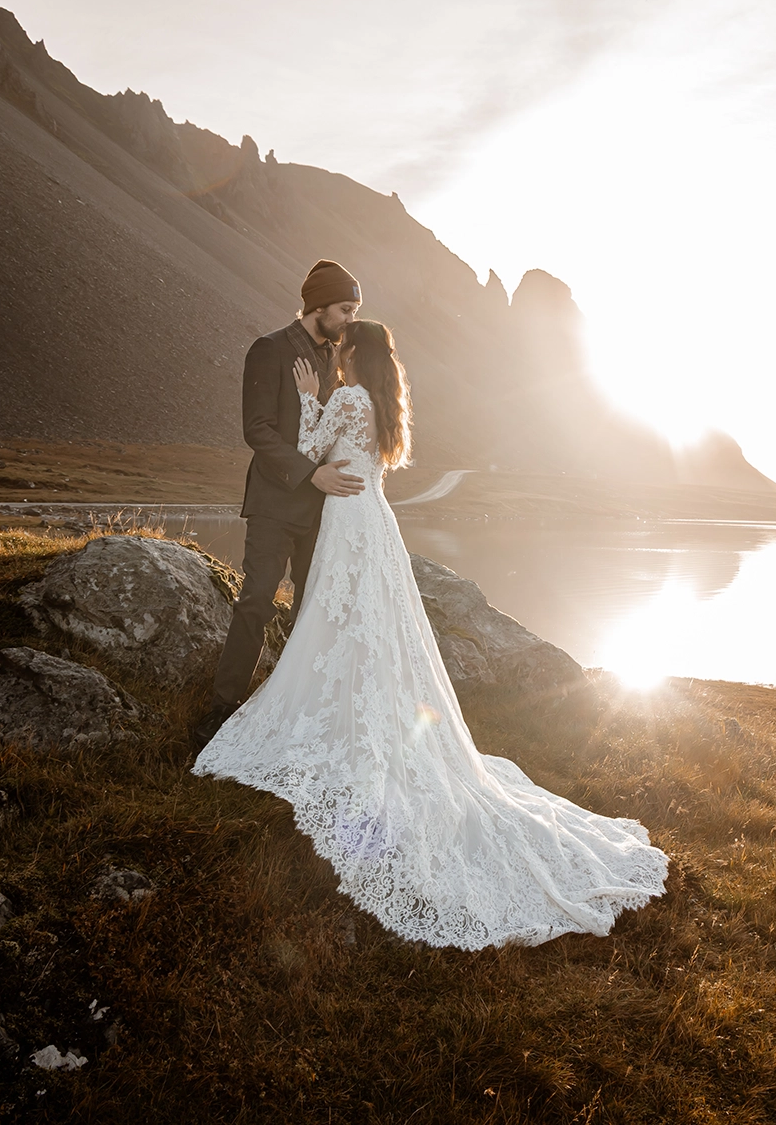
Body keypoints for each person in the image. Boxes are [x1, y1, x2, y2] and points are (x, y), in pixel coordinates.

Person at [192, 320, 668, 949]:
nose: (335, 361)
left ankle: (334, 712)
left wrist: (309, 394)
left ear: (354, 356)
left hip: (347, 521)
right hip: (374, 520)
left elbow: (309, 446)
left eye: (343, 354)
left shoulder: (349, 397)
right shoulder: (384, 406)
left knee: (339, 621)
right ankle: (361, 708)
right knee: (370, 627)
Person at [194, 260, 365, 757]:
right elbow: (258, 430)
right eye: (345, 309)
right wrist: (312, 473)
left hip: (324, 509)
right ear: (318, 305)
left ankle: (292, 710)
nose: (350, 319)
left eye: (355, 310)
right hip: (275, 501)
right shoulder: (268, 350)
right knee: (257, 601)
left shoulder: (340, 356)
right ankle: (221, 711)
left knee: (313, 609)